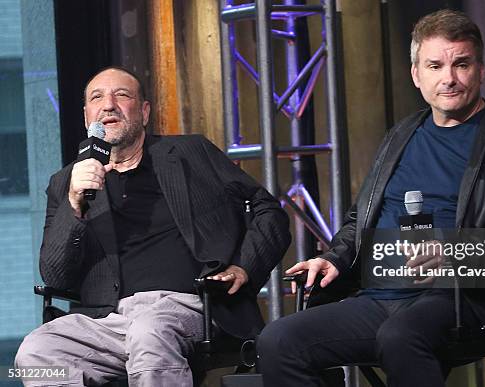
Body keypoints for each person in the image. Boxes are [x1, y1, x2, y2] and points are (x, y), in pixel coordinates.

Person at [257, 9, 485, 387]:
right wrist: (334, 259)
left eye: (461, 64)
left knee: (400, 336)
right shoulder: (401, 135)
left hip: (465, 302)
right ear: (417, 74)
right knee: (279, 341)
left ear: (481, 70)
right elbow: (358, 219)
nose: (448, 78)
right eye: (435, 66)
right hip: (380, 296)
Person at [15, 67, 291, 386]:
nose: (108, 105)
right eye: (97, 98)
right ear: (86, 115)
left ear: (144, 112)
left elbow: (268, 210)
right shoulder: (66, 182)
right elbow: (55, 275)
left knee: (149, 331)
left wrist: (244, 268)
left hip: (189, 308)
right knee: (36, 351)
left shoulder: (190, 152)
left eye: (122, 95)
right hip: (108, 319)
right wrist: (74, 202)